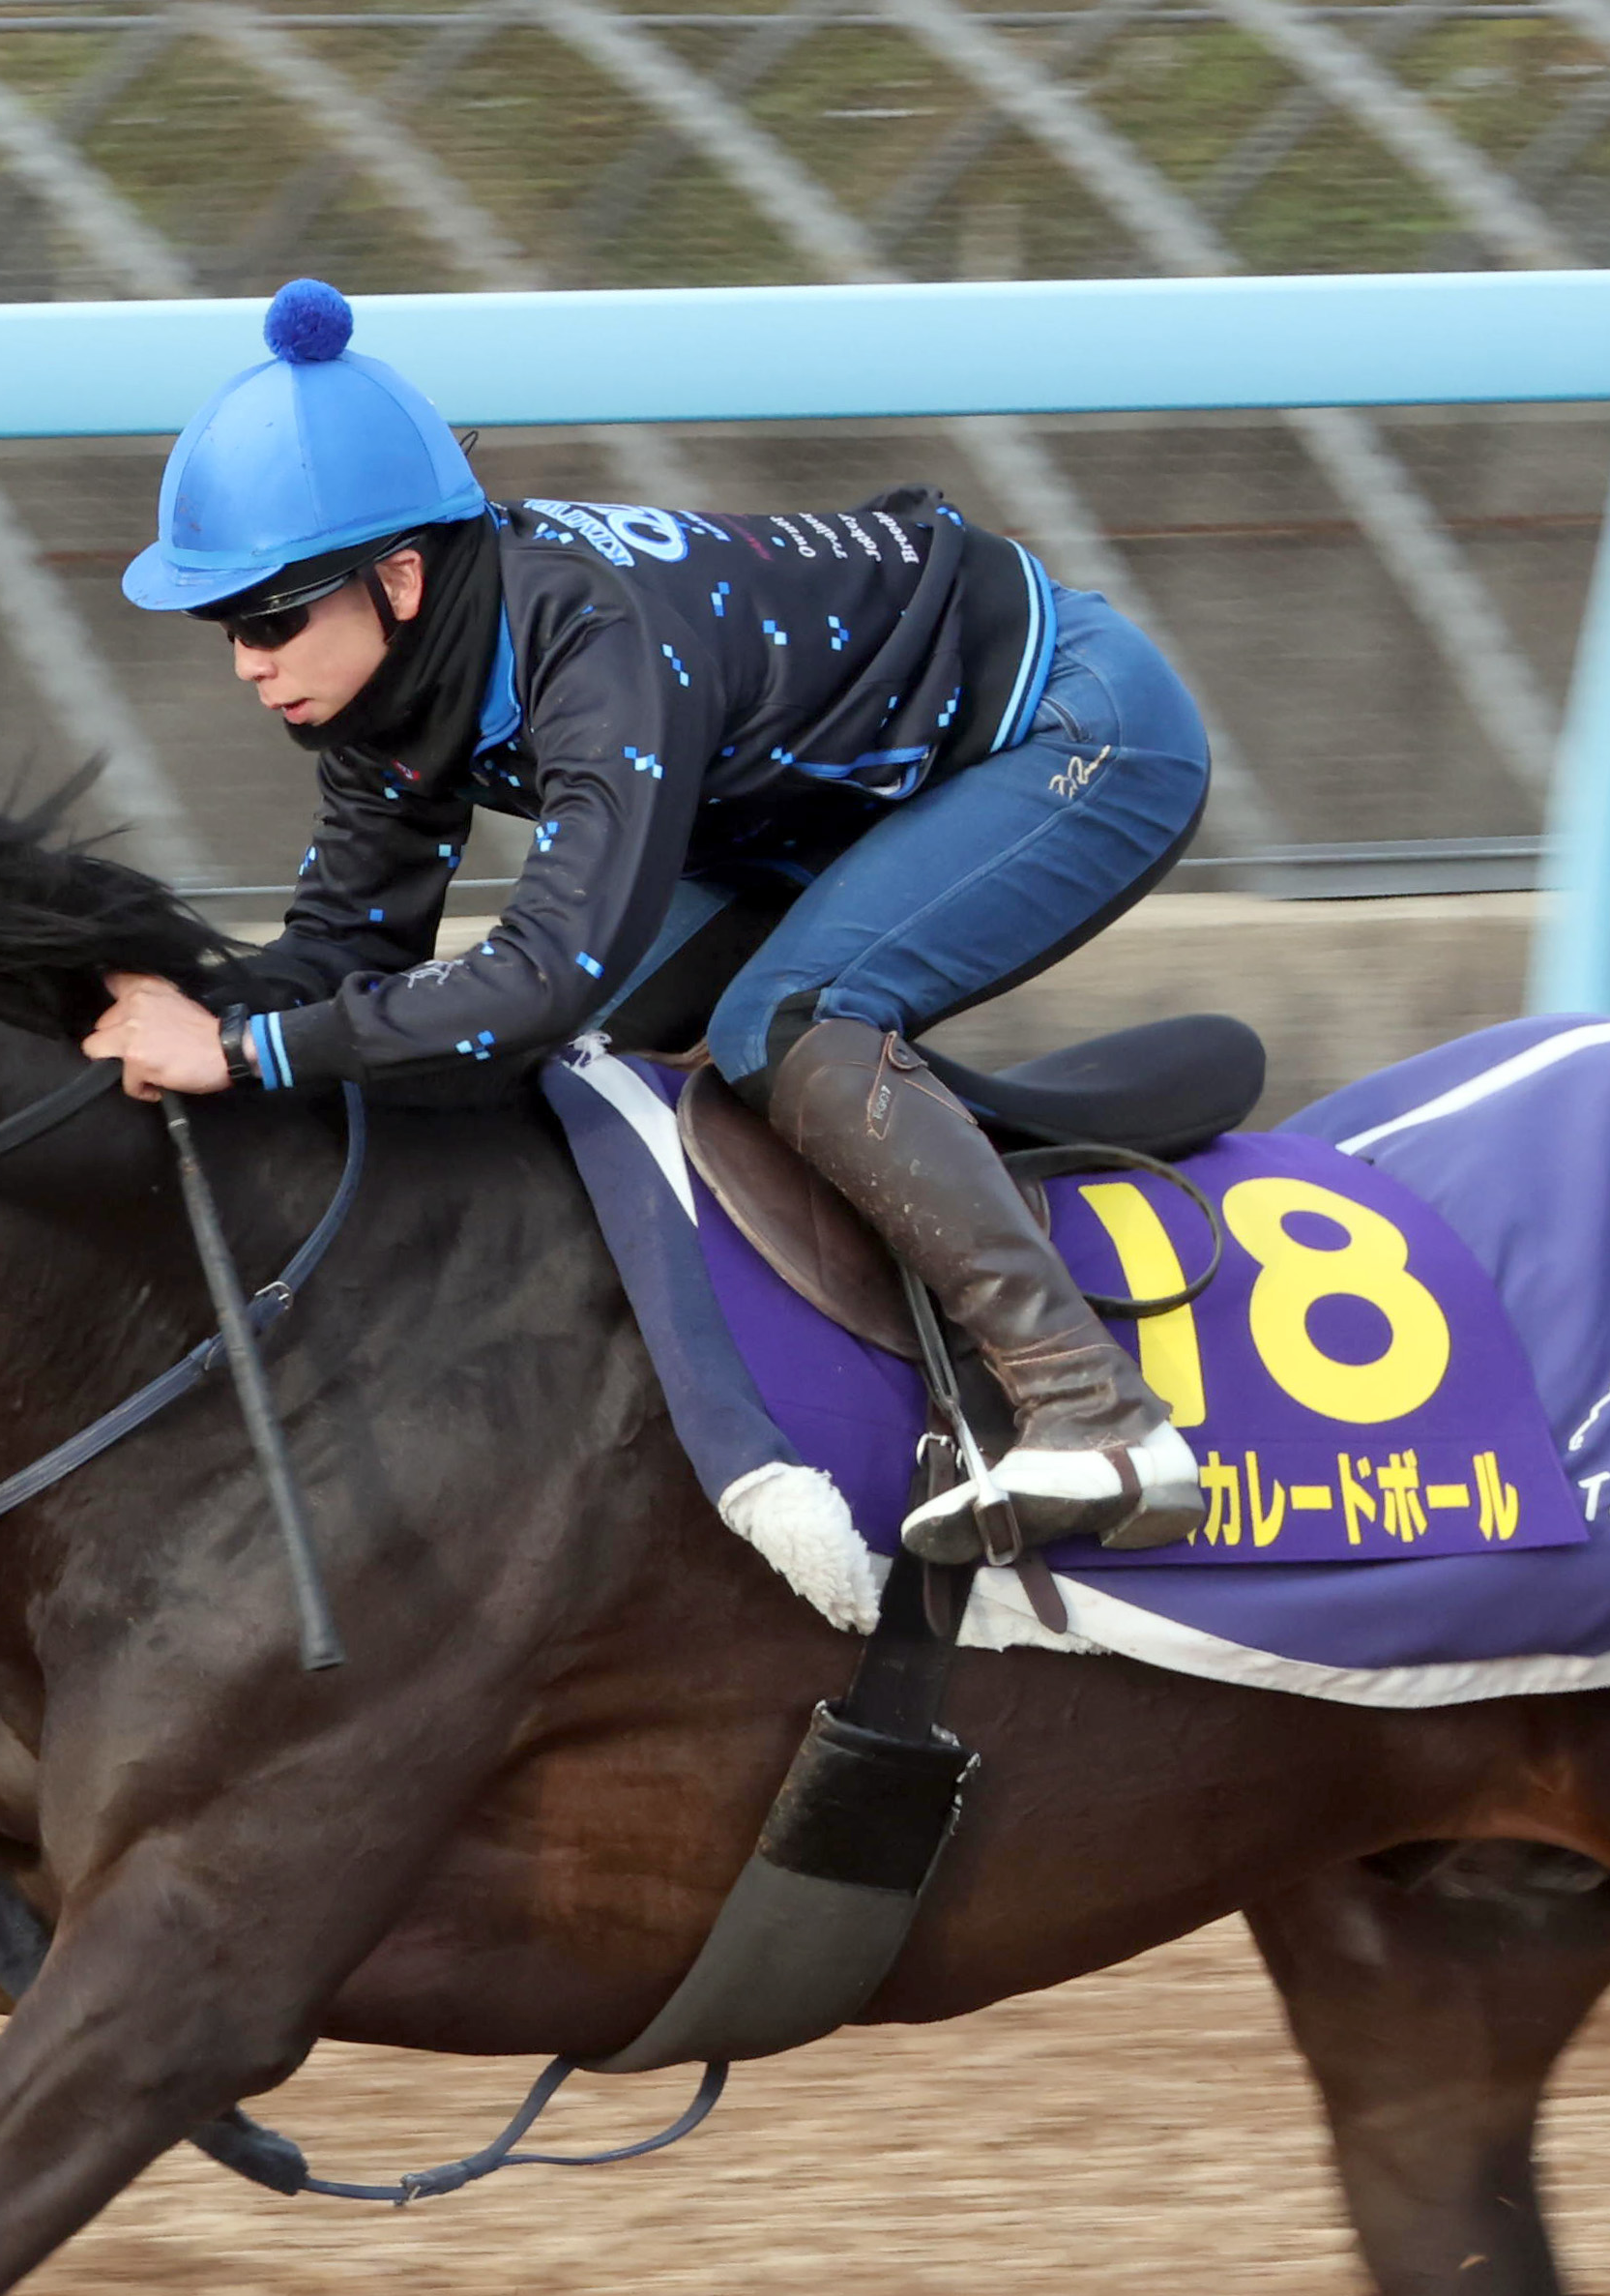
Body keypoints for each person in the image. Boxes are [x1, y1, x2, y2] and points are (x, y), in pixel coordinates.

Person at [84, 280, 1212, 1561]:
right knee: (575, 1067)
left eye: (272, 616)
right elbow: (349, 958)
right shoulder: (383, 696)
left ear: (398, 579)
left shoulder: (588, 633)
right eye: (223, 625)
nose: (246, 660)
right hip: (823, 794)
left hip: (1073, 730)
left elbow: (543, 972)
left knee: (785, 1027)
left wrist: (241, 1053)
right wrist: (176, 1006)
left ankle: (1092, 1413)